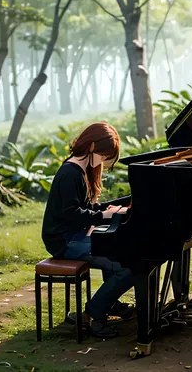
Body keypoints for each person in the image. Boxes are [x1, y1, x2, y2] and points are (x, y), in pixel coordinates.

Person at [41, 122, 133, 339]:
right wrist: (103, 215)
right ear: (92, 147)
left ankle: (108, 304)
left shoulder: (78, 170)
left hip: (74, 236)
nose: (103, 161)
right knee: (126, 268)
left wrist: (108, 209)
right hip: (64, 241)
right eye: (103, 156)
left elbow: (83, 209)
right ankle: (94, 314)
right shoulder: (70, 173)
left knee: (117, 250)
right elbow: (72, 213)